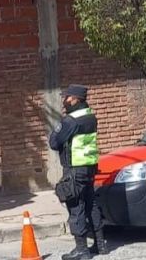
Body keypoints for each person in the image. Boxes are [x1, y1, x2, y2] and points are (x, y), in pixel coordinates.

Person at [48, 84, 108, 259]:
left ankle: (81, 249)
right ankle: (100, 244)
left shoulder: (71, 120)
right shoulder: (91, 117)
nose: (64, 101)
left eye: (67, 97)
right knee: (91, 205)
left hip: (74, 168)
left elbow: (54, 142)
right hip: (89, 167)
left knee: (76, 206)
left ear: (75, 99)